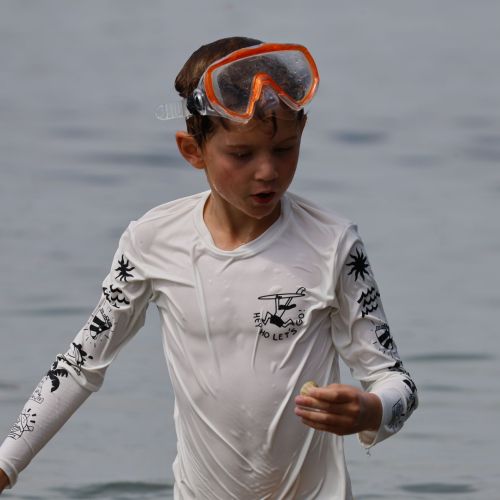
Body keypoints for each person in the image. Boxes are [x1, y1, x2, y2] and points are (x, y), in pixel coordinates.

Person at [0, 36, 418, 499]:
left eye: (284, 149)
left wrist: (371, 410)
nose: (267, 171)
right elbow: (79, 367)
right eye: (242, 154)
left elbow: (397, 382)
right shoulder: (152, 241)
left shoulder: (333, 244)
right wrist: (5, 467)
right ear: (192, 150)